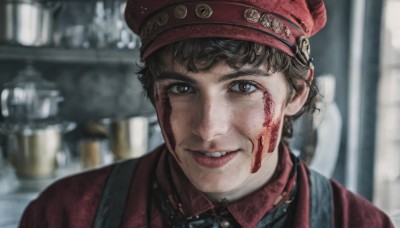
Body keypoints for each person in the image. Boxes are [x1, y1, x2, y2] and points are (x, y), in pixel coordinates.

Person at [20, 0, 395, 227]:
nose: (208, 128)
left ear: (296, 92)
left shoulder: (362, 224)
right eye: (181, 88)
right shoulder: (64, 216)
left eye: (243, 86)